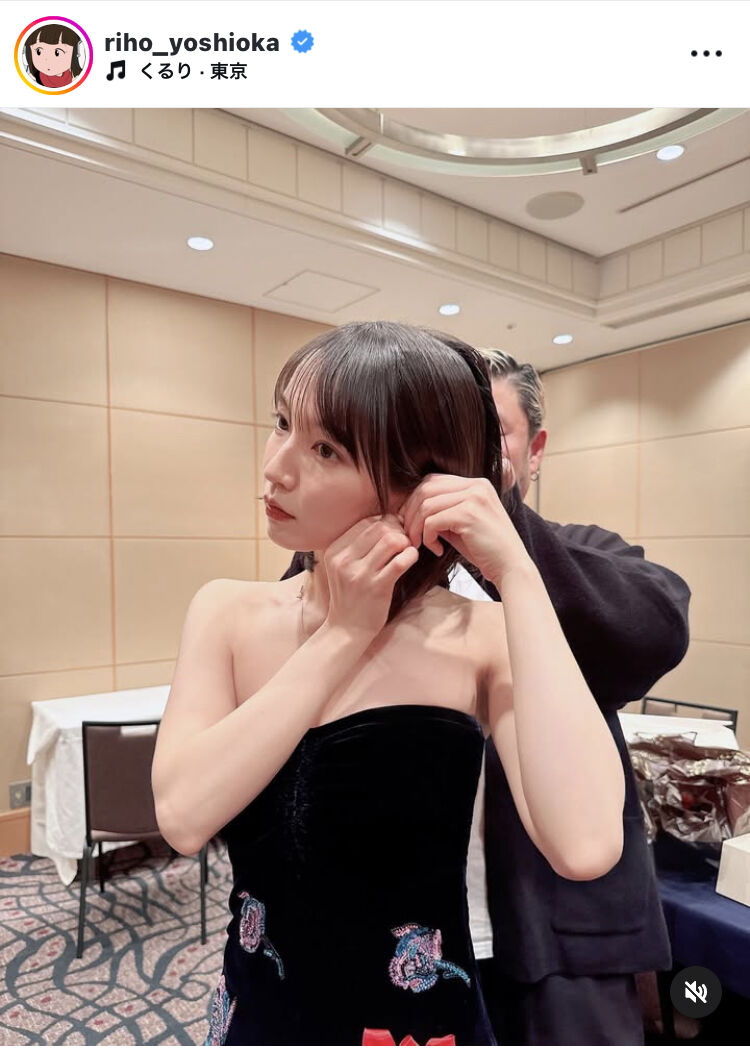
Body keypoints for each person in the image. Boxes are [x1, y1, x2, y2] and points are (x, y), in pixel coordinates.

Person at [152, 322, 626, 1047]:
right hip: (263, 1013)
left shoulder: (481, 635)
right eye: (282, 424)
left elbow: (586, 845)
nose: (276, 468)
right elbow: (183, 816)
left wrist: (519, 576)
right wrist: (342, 634)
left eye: (326, 450)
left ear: (419, 484)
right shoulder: (226, 612)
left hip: (423, 1025)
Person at [283, 345, 690, 1045]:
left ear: (534, 451)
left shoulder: (574, 553)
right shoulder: (360, 566)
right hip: (395, 929)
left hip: (563, 927)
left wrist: (504, 537)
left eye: (486, 434)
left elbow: (654, 631)